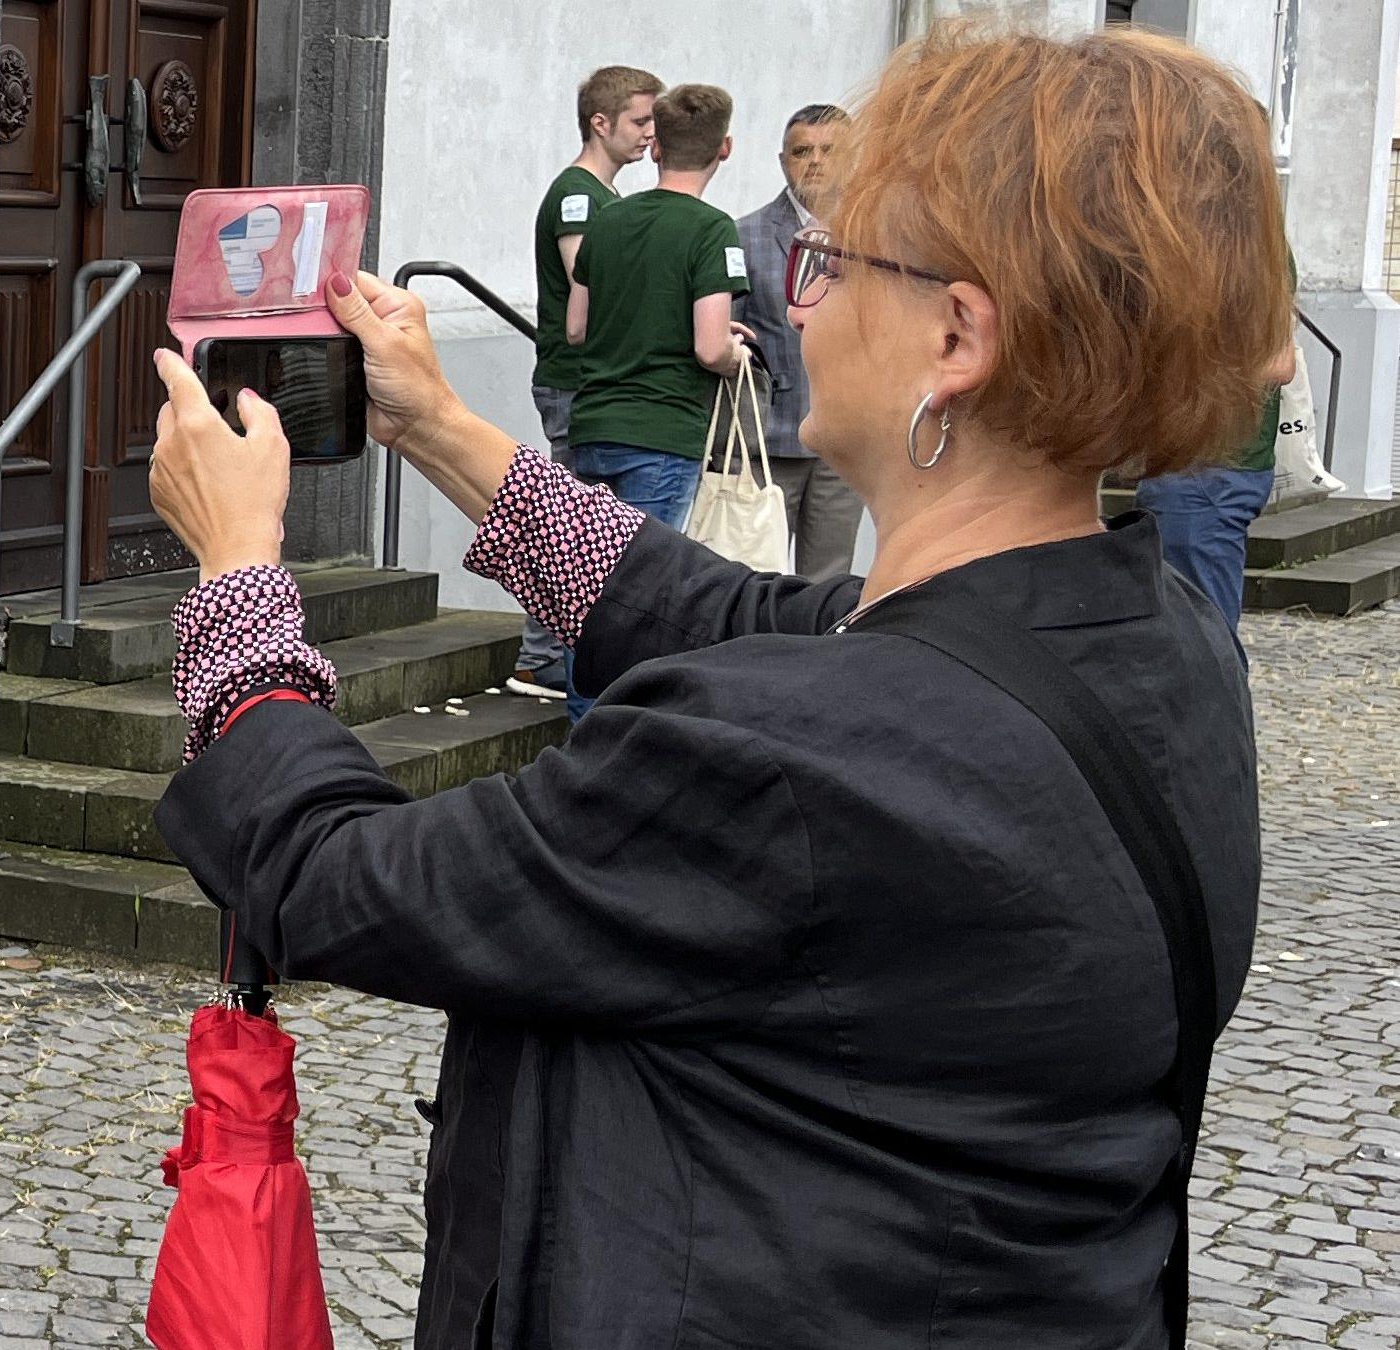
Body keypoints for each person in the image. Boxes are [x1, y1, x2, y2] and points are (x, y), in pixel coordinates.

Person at [144, 20, 1276, 1349]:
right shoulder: (1161, 639)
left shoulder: (796, 754)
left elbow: (338, 880)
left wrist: (237, 577)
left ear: (956, 339)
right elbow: (727, 612)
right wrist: (441, 427)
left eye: (835, 260)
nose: (795, 300)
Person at [559, 81, 749, 718]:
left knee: (586, 581)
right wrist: (736, 352)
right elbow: (708, 347)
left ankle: (583, 718)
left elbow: (576, 328)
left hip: (593, 424)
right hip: (663, 430)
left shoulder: (609, 217)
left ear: (658, 143)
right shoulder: (712, 228)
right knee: (643, 592)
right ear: (724, 147)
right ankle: (624, 728)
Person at [511, 64, 663, 700]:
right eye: (639, 121)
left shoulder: (605, 197)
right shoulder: (580, 196)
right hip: (577, 380)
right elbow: (590, 283)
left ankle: (548, 653)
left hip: (589, 381)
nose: (651, 134)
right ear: (600, 124)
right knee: (570, 523)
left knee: (578, 521)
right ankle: (541, 657)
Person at [1136, 256, 1299, 646]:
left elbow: (1279, 363)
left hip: (1209, 471)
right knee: (1186, 633)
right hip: (1195, 468)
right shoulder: (1231, 240)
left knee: (1203, 638)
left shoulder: (1240, 246)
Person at [737, 103, 865, 581]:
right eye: (802, 151)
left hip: (846, 439)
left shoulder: (878, 233)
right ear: (782, 161)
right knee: (758, 577)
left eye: (829, 151)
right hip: (772, 441)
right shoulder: (745, 236)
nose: (815, 161)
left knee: (831, 581)